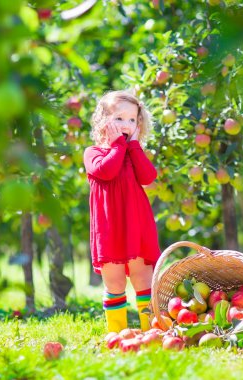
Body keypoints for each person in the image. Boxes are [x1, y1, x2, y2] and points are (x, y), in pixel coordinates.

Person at [83, 90, 161, 333]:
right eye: (119, 119)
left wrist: (134, 145)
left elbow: (149, 177)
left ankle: (152, 330)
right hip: (109, 228)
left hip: (135, 224)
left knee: (143, 278)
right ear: (103, 121)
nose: (126, 125)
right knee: (114, 282)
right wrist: (118, 145)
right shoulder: (93, 153)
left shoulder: (133, 153)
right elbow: (107, 171)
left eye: (132, 120)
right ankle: (117, 334)